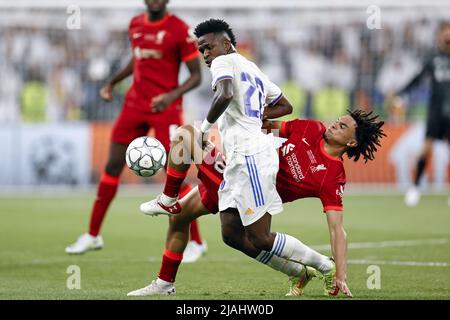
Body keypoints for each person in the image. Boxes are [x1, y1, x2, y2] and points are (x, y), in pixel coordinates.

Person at [128, 109, 385, 297]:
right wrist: (247, 117)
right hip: (238, 172)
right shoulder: (311, 128)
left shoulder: (332, 177)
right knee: (204, 226)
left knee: (188, 136)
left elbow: (336, 228)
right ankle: (164, 283)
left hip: (253, 193)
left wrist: (341, 273)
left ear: (351, 143)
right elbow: (268, 126)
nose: (333, 125)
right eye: (337, 121)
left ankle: (166, 198)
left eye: (342, 127)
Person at [65, 0, 206, 261]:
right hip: (135, 103)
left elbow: (196, 76)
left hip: (166, 108)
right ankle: (93, 235)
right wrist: (112, 82)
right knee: (112, 166)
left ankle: (196, 242)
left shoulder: (179, 30)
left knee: (174, 173)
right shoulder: (136, 24)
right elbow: (137, 60)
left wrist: (170, 96)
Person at [394, 21, 450, 207]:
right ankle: (415, 188)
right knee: (426, 149)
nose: (447, 36)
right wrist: (401, 93)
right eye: (444, 33)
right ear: (439, 36)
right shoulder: (433, 59)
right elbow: (418, 79)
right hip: (436, 111)